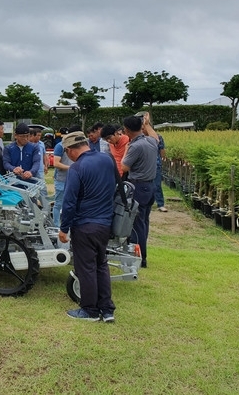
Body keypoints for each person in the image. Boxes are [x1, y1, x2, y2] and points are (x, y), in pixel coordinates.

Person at [58, 131, 116, 322]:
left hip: (84, 224)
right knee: (101, 265)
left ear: (70, 149)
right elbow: (116, 185)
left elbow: (69, 202)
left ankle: (89, 310)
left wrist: (63, 228)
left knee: (86, 268)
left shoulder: (77, 167)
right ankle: (107, 310)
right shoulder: (107, 159)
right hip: (105, 223)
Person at [121, 115, 158, 268]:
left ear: (127, 130)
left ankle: (139, 258)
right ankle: (141, 254)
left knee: (136, 225)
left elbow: (124, 167)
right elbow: (155, 136)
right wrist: (147, 124)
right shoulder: (150, 141)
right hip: (150, 187)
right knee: (144, 222)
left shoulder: (135, 146)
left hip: (138, 187)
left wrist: (125, 150)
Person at [51, 135, 73, 228]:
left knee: (71, 204)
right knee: (58, 204)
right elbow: (56, 163)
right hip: (61, 180)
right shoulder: (60, 146)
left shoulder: (77, 146)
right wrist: (72, 168)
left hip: (73, 180)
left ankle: (69, 225)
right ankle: (56, 226)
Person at [154, 134, 167, 212]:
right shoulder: (139, 136)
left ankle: (160, 204)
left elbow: (162, 150)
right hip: (143, 165)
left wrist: (162, 160)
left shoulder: (158, 137)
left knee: (157, 184)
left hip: (156, 163)